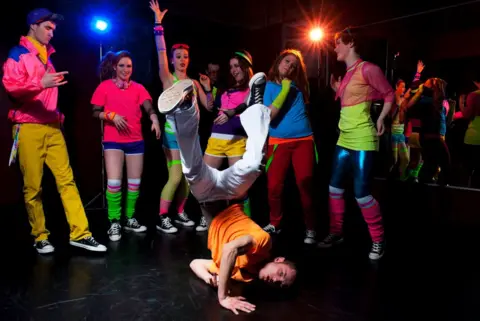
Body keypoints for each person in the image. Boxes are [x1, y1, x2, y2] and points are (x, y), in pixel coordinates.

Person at [157, 74, 297, 314]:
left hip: (207, 195)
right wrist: (222, 296)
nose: (277, 280)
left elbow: (196, 264)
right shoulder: (262, 244)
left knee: (190, 167)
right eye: (282, 274)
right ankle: (254, 108)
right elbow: (231, 247)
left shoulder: (243, 275)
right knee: (254, 165)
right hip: (232, 193)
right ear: (279, 260)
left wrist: (211, 280)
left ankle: (184, 109)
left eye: (280, 285)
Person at [2, 8, 107, 253]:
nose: (52, 33)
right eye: (48, 28)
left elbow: (47, 93)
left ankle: (80, 233)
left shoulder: (47, 56)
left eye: (54, 30)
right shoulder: (18, 53)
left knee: (67, 181)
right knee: (33, 186)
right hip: (27, 127)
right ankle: (40, 236)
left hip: (52, 127)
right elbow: (12, 88)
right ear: (34, 26)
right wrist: (41, 83)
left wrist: (56, 112)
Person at [320, 27, 394, 260]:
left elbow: (389, 94)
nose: (335, 48)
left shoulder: (369, 68)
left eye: (338, 43)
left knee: (361, 194)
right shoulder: (349, 72)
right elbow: (352, 99)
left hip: (363, 138)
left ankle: (378, 241)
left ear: (350, 43)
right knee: (334, 188)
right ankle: (336, 233)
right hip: (344, 138)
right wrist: (337, 90)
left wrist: (382, 118)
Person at [149, 0, 213, 233]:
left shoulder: (194, 82)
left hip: (190, 138)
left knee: (186, 179)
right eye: (178, 56)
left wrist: (207, 87)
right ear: (173, 60)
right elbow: (160, 51)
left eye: (185, 56)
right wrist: (158, 23)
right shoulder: (168, 79)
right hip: (172, 136)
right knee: (175, 176)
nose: (182, 59)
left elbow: (209, 107)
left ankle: (178, 212)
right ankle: (162, 217)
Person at [90, 50, 161, 241]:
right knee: (114, 182)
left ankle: (129, 218)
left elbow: (149, 107)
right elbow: (95, 112)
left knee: (134, 183)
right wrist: (111, 115)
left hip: (135, 141)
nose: (125, 69)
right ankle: (114, 221)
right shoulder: (104, 87)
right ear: (114, 66)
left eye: (129, 66)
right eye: (121, 65)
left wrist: (154, 118)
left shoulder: (138, 88)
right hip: (113, 140)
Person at [260, 49, 317, 244]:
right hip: (278, 142)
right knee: (274, 187)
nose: (289, 66)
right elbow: (269, 116)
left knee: (305, 185)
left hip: (303, 141)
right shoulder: (268, 86)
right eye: (286, 61)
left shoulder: (298, 87)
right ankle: (275, 223)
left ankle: (311, 228)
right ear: (278, 62)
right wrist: (284, 89)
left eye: (294, 65)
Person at [203, 50, 255, 218]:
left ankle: (244, 221)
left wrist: (231, 115)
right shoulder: (225, 88)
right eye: (231, 66)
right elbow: (213, 108)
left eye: (237, 66)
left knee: (238, 188)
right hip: (216, 139)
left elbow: (251, 112)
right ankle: (210, 220)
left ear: (246, 67)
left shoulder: (253, 88)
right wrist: (208, 89)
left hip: (237, 140)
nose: (234, 70)